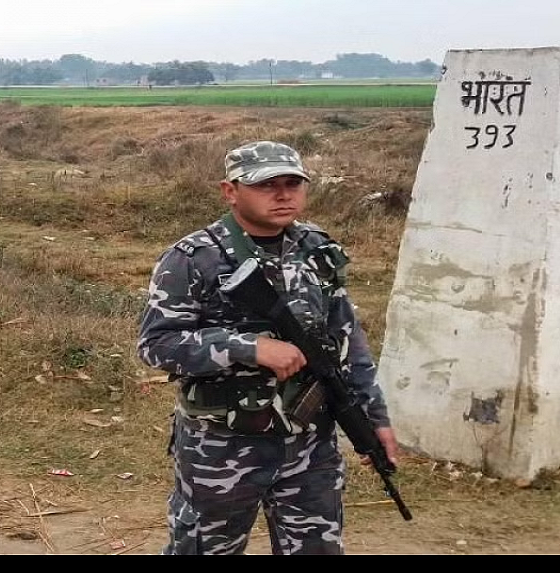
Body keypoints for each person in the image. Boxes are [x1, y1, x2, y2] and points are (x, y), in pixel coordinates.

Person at [136, 140, 399, 555]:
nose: (282, 194)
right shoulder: (194, 258)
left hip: (311, 447)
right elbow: (157, 345)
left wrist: (375, 417)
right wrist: (247, 347)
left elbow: (349, 343)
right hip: (221, 450)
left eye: (292, 183)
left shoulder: (317, 249)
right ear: (230, 191)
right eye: (265, 184)